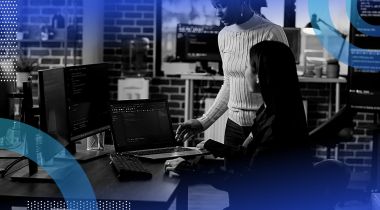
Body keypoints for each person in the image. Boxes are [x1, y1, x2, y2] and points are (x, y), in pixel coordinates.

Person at [168, 41, 314, 210]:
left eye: (247, 67)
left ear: (259, 75)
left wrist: (192, 171)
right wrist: (211, 146)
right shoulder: (274, 110)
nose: (244, 73)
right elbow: (249, 154)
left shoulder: (275, 128)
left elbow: (246, 181)